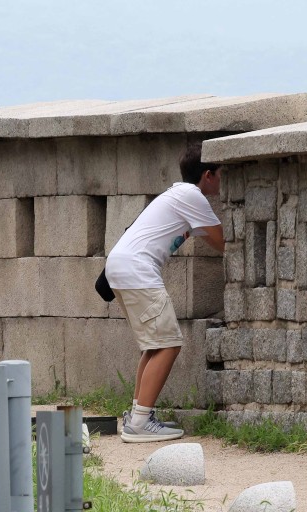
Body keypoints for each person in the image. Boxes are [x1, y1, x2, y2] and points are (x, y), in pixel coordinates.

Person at [105, 144, 225, 443]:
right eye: (221, 175)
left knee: (155, 345)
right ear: (207, 175)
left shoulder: (177, 194)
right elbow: (222, 242)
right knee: (169, 344)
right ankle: (141, 423)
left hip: (121, 267)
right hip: (137, 269)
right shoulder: (191, 196)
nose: (224, 181)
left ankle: (138, 416)